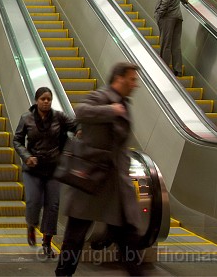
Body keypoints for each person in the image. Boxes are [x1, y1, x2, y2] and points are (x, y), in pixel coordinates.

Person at [55, 62, 144, 276]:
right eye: (132, 79)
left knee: (126, 238)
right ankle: (63, 273)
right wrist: (110, 110)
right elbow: (81, 111)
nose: (136, 84)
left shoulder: (124, 102)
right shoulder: (103, 97)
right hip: (91, 181)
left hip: (112, 185)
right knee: (75, 237)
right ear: (119, 78)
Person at [13, 87, 77, 257]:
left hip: (53, 168)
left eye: (49, 99)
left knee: (53, 205)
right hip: (33, 168)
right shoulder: (26, 118)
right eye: (43, 99)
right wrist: (27, 157)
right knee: (34, 201)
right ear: (36, 100)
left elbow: (75, 125)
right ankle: (31, 225)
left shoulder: (59, 117)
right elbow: (17, 140)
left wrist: (79, 130)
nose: (46, 102)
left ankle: (47, 243)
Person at [154, 0, 187, 76]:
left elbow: (165, 1)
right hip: (177, 18)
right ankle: (178, 70)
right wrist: (186, 1)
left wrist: (159, 14)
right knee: (176, 45)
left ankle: (164, 69)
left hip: (168, 18)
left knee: (165, 44)